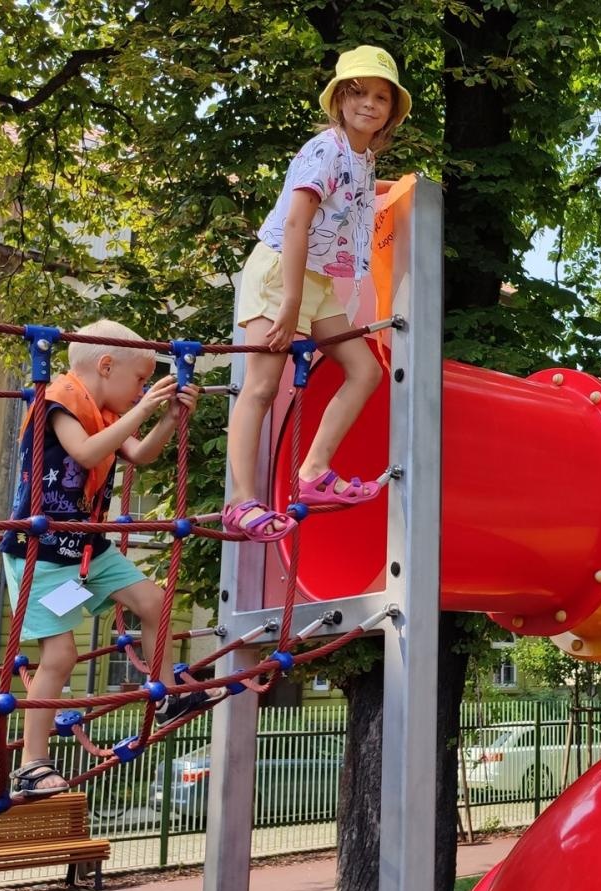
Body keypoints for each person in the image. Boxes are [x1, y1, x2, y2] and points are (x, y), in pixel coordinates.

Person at [0, 320, 224, 798]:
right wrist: (144, 407)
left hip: (84, 550)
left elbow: (139, 454)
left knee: (154, 602)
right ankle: (31, 763)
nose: (143, 388)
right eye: (139, 380)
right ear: (105, 366)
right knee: (61, 655)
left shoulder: (102, 411)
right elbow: (83, 453)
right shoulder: (59, 401)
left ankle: (165, 697)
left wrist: (165, 419)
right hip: (40, 554)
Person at [224, 45, 411, 541]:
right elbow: (296, 222)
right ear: (339, 100)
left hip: (318, 282)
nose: (369, 104)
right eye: (358, 93)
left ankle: (313, 473)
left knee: (364, 369)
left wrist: (406, 190)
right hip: (281, 272)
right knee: (261, 386)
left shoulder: (362, 159)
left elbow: (351, 201)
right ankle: (241, 501)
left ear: (390, 112)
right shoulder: (325, 149)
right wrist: (288, 303)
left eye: (381, 97)